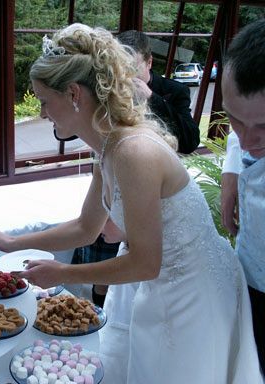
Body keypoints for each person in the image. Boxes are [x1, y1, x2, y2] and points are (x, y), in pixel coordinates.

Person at [0, 23, 262, 383]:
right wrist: (11, 242)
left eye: (45, 102)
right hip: (159, 285)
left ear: (74, 93)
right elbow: (85, 228)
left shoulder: (132, 151)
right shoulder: (106, 147)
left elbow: (145, 261)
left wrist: (62, 273)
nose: (43, 113)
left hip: (193, 291)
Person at [71, 29, 202, 307]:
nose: (126, 77)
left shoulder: (174, 92)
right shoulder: (109, 97)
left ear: (149, 62)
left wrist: (152, 98)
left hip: (158, 195)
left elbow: (190, 141)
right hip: (118, 188)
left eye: (133, 68)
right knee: (107, 268)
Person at [220, 18, 265, 372]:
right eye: (234, 119)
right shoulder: (247, 135)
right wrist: (231, 173)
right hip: (249, 277)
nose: (248, 140)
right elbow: (241, 141)